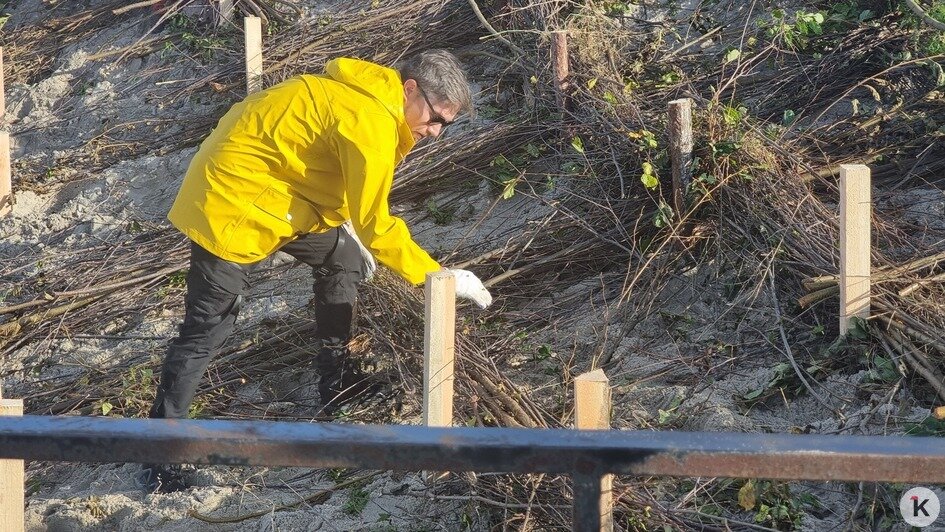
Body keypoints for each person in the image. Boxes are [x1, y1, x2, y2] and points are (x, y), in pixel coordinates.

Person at [140, 50, 493, 493]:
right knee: (209, 325)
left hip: (280, 197)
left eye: (448, 125)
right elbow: (376, 223)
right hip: (230, 201)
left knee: (343, 257)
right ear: (410, 89)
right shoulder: (371, 121)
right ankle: (158, 450)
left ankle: (335, 382)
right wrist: (436, 276)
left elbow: (314, 160)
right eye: (437, 118)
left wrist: (343, 222)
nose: (437, 133)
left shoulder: (364, 98)